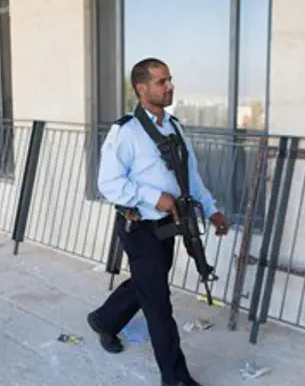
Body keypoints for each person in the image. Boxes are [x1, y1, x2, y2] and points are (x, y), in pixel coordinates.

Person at [87, 58, 229, 386]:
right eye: (161, 82)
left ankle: (104, 320)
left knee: (147, 284)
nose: (169, 87)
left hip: (169, 225)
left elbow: (189, 176)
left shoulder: (174, 127)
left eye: (169, 80)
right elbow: (108, 183)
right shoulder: (126, 131)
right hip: (139, 228)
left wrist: (212, 209)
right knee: (158, 305)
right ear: (141, 88)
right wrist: (154, 198)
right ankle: (175, 377)